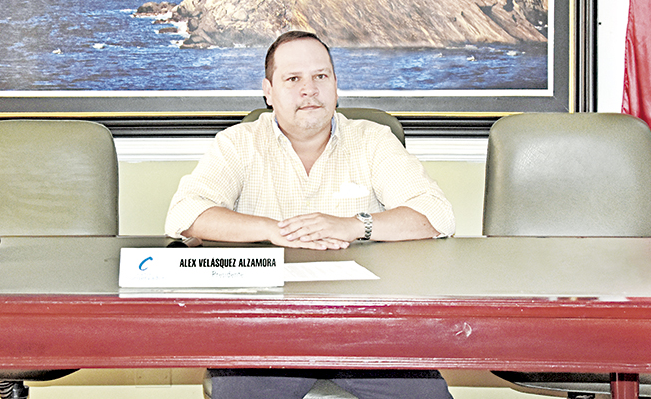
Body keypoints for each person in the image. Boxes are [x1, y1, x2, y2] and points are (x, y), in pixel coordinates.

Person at [165, 30, 455, 399]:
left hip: (366, 323)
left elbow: (437, 214)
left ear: (336, 85)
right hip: (264, 325)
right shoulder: (238, 143)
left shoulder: (373, 140)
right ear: (268, 91)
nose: (309, 90)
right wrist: (272, 230)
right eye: (293, 79)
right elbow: (185, 213)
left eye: (321, 76)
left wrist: (354, 225)